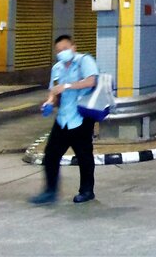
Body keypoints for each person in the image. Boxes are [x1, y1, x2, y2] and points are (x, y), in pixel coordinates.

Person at [30, 34, 100, 205]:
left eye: (65, 49)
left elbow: (91, 81)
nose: (62, 53)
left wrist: (68, 86)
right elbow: (53, 91)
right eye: (59, 51)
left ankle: (86, 191)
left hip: (81, 117)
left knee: (84, 156)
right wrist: (48, 102)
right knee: (51, 155)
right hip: (63, 118)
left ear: (73, 48)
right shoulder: (57, 68)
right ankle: (50, 191)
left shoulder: (84, 60)